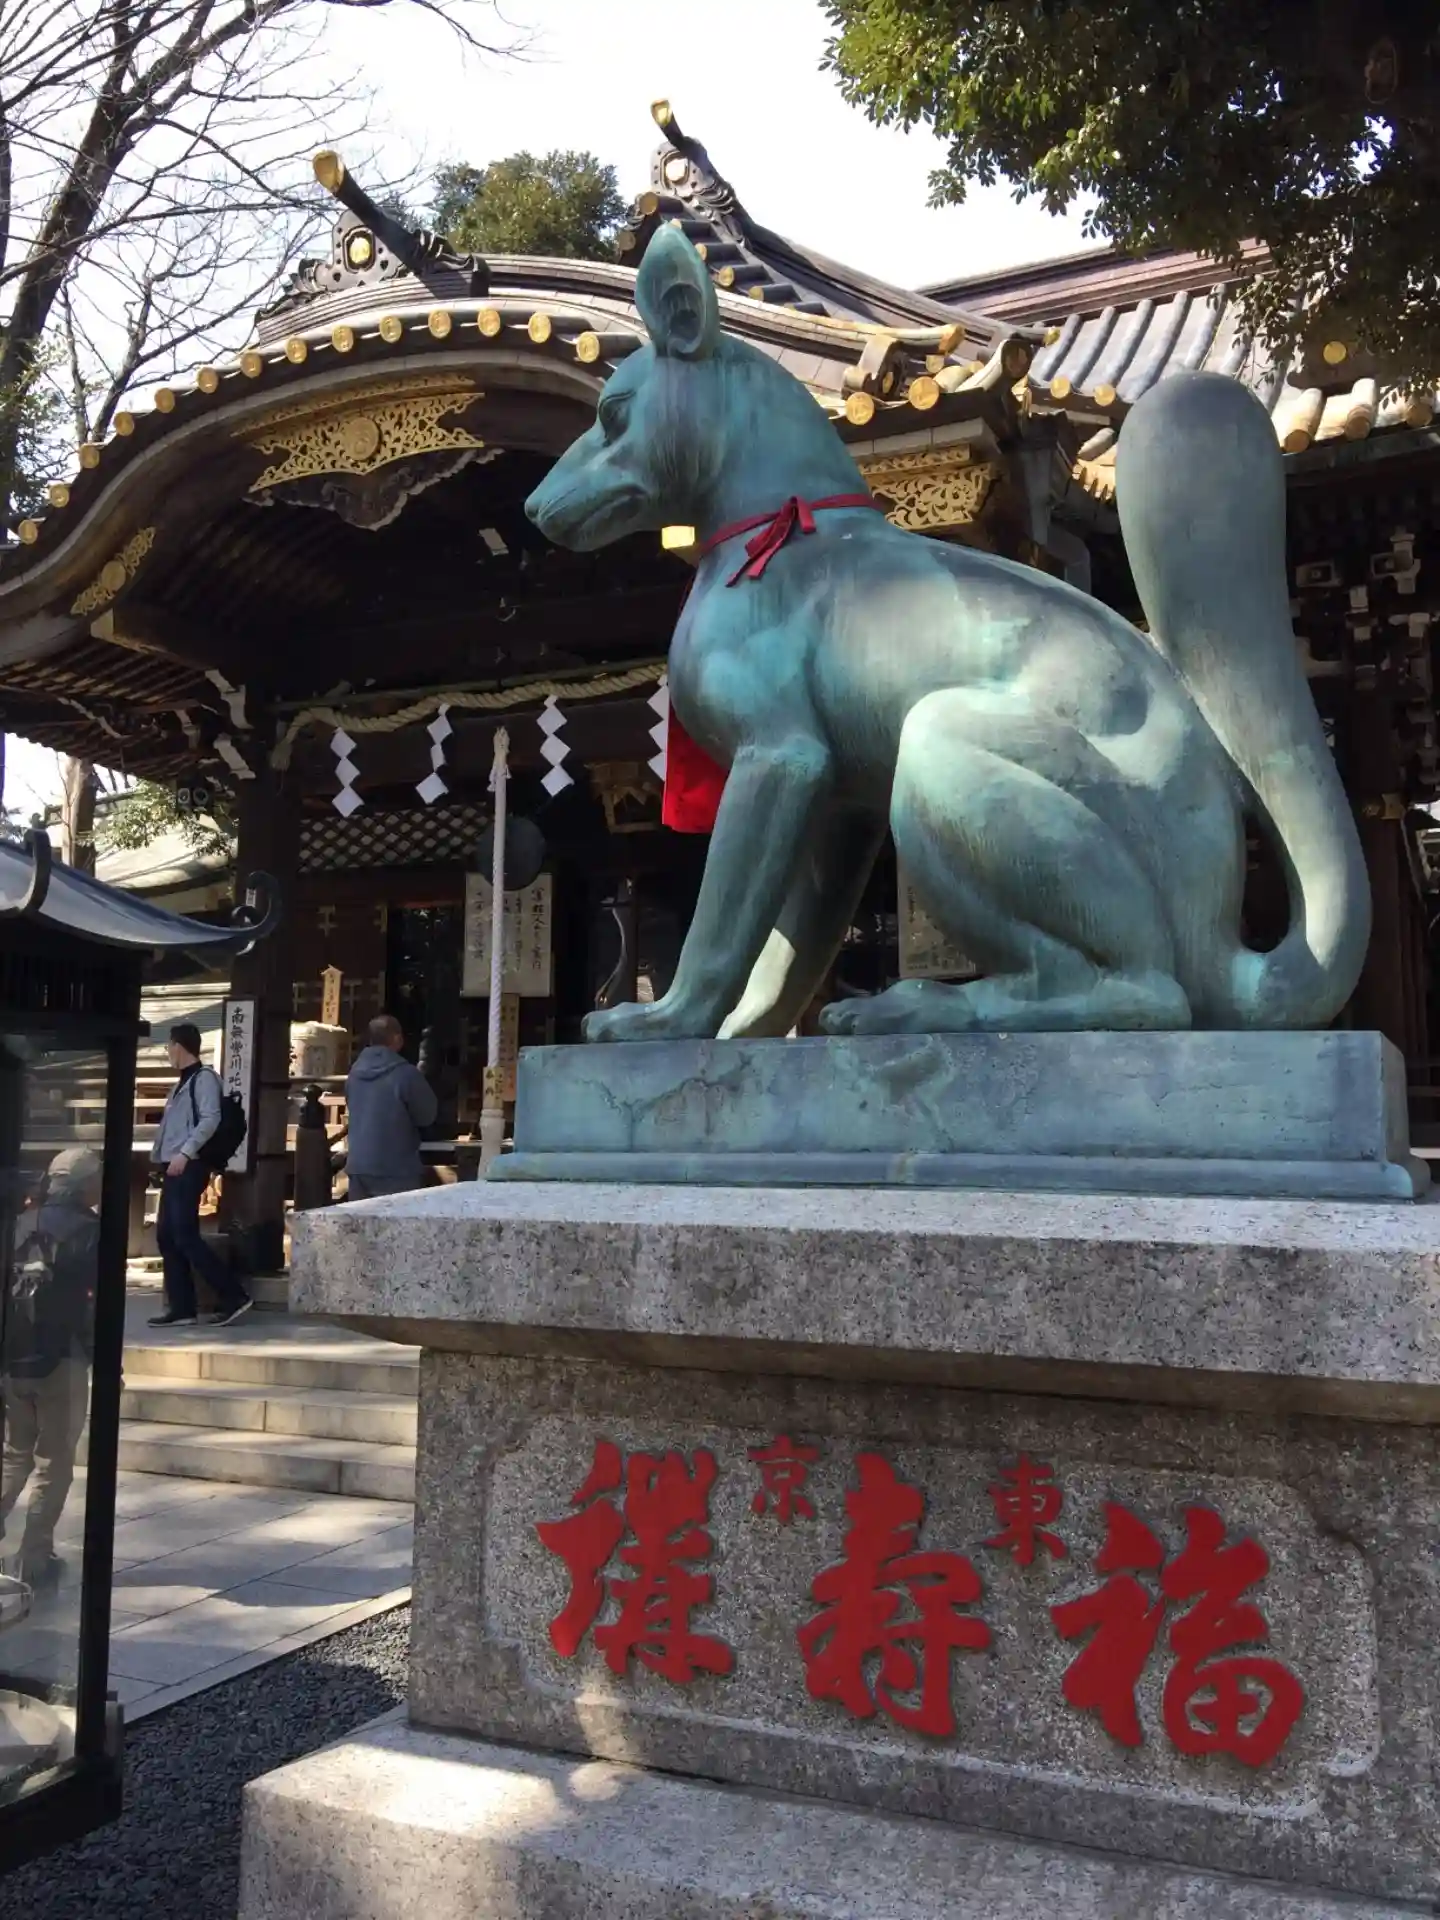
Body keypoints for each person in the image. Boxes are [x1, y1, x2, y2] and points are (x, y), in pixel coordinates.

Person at [1, 1148, 101, 1589]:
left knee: (15, 1454)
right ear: (86, 1185)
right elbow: (97, 1307)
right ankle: (33, 1556)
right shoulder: (92, 1232)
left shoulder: (20, 1223)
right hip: (62, 1358)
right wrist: (106, 1361)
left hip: (15, 1358)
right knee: (53, 1463)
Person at [147, 1022, 251, 1329]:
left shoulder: (204, 1079)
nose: (168, 1052)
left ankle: (233, 1295)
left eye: (169, 1046)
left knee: (184, 1234)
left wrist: (185, 1153)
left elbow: (210, 1119)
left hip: (189, 1164)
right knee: (167, 1235)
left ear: (178, 1046)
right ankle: (182, 1308)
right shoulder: (180, 1084)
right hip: (174, 1165)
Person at [344, 1014, 438, 1201]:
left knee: (359, 1218)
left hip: (358, 1166)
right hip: (397, 1168)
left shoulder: (354, 1073)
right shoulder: (406, 1074)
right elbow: (427, 1116)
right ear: (397, 1038)